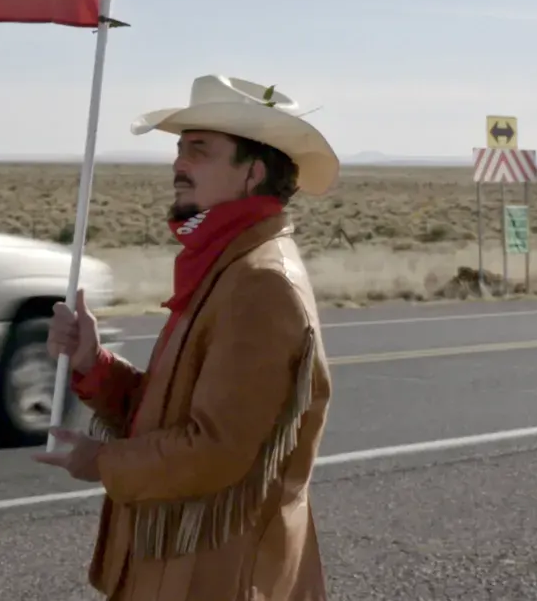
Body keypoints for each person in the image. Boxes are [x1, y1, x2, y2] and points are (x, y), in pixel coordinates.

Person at [34, 75, 338, 600]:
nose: (178, 164)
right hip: (182, 566)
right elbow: (174, 412)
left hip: (222, 576)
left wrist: (101, 461)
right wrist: (94, 364)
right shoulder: (227, 266)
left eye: (199, 150)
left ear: (253, 173)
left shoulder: (259, 282)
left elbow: (215, 449)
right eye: (180, 149)